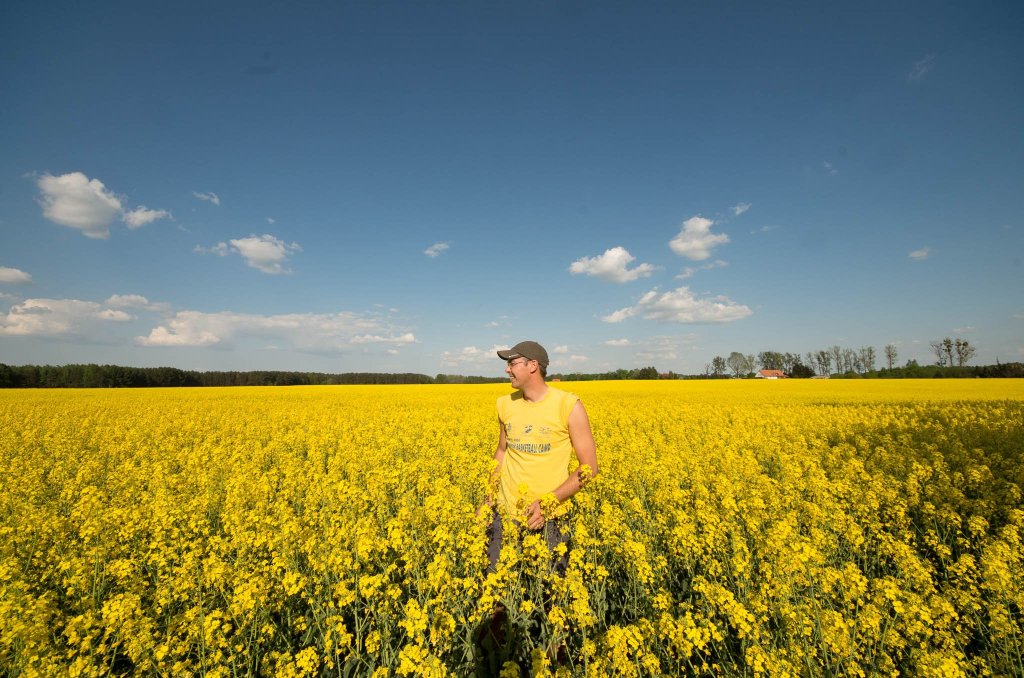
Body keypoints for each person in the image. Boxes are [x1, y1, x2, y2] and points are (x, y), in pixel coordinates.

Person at [482, 340, 599, 575]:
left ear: (533, 365)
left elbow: (589, 468)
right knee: (493, 588)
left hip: (549, 519)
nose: (507, 369)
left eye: (512, 363)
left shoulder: (569, 405)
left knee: (548, 591)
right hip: (504, 516)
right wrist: (487, 501)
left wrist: (547, 503)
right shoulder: (505, 404)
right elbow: (501, 452)